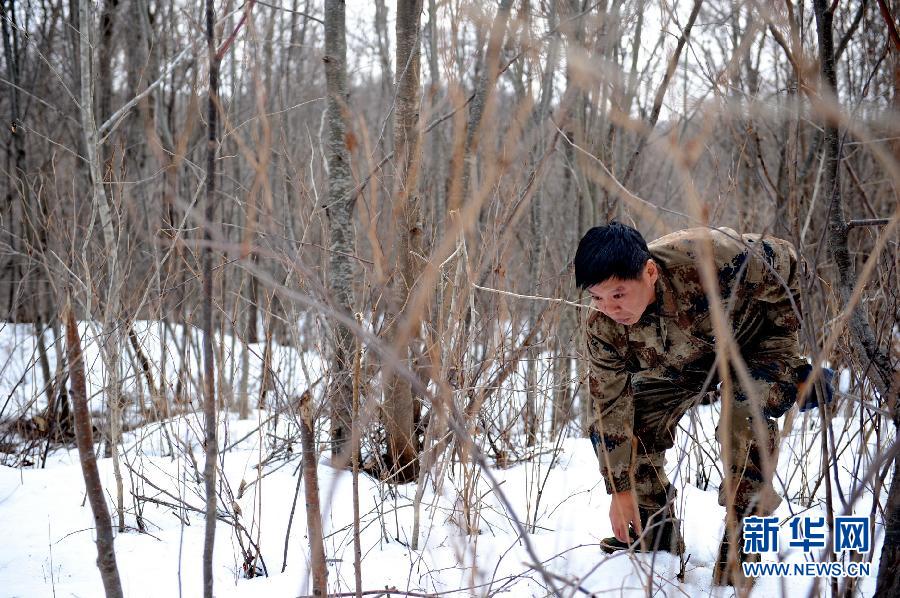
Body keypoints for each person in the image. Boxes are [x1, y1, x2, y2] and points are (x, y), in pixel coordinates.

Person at [574, 222, 813, 586]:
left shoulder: (709, 258)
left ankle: (743, 544)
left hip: (755, 346)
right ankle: (654, 538)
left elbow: (790, 264)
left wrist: (789, 352)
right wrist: (620, 490)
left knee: (743, 418)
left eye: (618, 295)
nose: (610, 308)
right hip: (688, 364)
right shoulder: (603, 328)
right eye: (597, 298)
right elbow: (610, 407)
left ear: (649, 272)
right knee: (633, 420)